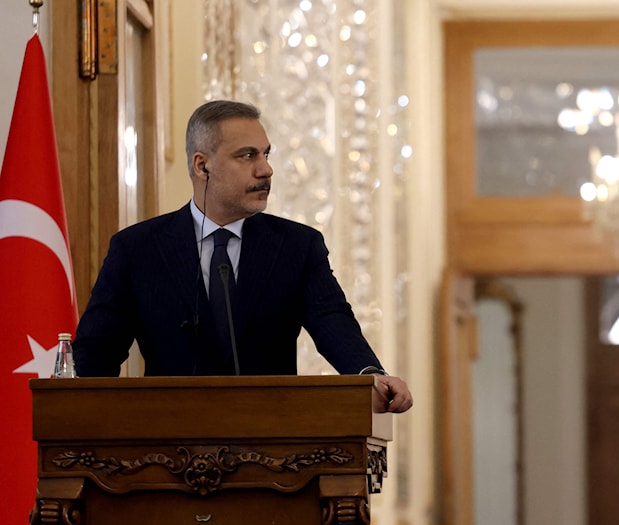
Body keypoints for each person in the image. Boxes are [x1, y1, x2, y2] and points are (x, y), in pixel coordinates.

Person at [73, 100, 413, 413]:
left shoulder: (297, 246)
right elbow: (95, 356)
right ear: (202, 166)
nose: (266, 170)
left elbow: (332, 322)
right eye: (248, 156)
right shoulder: (138, 249)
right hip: (167, 439)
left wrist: (370, 374)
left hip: (272, 441)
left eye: (266, 154)